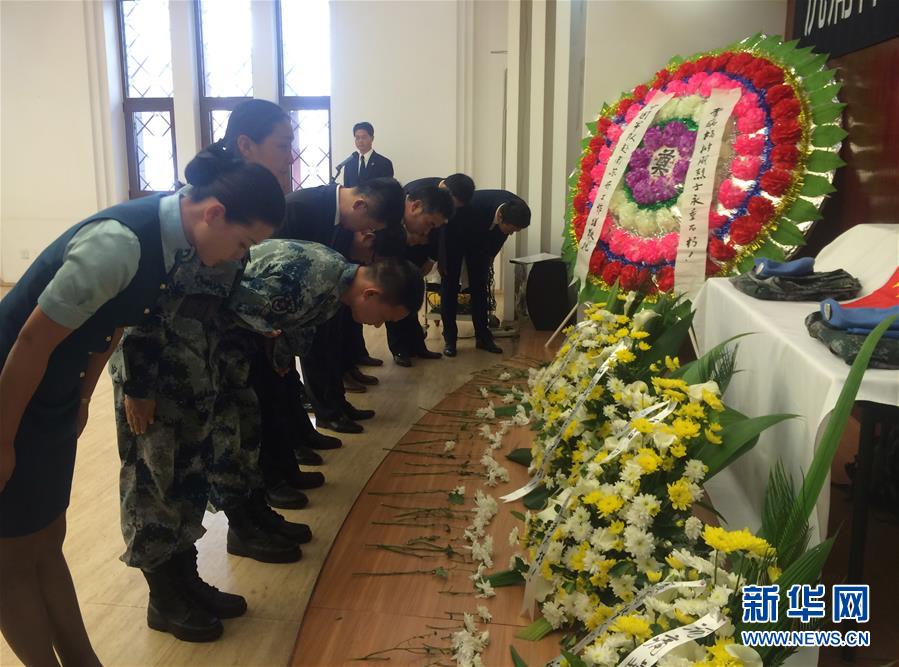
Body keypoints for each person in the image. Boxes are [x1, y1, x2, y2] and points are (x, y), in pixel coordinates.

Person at [0, 147, 284, 661]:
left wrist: (81, 396)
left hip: (50, 393)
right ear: (213, 213)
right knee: (11, 562)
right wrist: (1, 441)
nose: (242, 257)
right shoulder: (120, 244)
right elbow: (29, 343)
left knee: (44, 546)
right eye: (244, 243)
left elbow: (112, 325)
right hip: (9, 391)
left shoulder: (174, 244)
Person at [275, 177, 404, 437]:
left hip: (329, 292)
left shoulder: (343, 216)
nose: (367, 233)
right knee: (302, 358)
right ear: (360, 205)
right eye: (369, 227)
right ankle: (322, 415)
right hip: (286, 308)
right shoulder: (300, 208)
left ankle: (336, 405)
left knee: (331, 346)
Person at [386, 179, 467, 367]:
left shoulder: (439, 208)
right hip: (397, 254)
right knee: (396, 298)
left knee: (413, 301)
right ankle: (399, 349)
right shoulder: (403, 201)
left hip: (419, 255)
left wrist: (430, 259)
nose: (430, 227)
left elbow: (438, 233)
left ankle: (417, 346)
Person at [440, 189, 531, 357]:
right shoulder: (473, 204)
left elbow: (501, 235)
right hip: (455, 237)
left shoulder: (517, 209)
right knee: (450, 287)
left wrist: (490, 256)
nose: (512, 233)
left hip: (480, 244)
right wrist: (442, 258)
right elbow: (448, 228)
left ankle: (483, 337)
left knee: (480, 289)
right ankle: (450, 339)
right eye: (511, 229)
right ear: (501, 217)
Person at [342, 121, 394, 187]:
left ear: (372, 138)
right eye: (357, 138)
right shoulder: (349, 164)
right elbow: (347, 188)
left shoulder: (384, 163)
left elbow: (388, 190)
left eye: (364, 137)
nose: (360, 141)